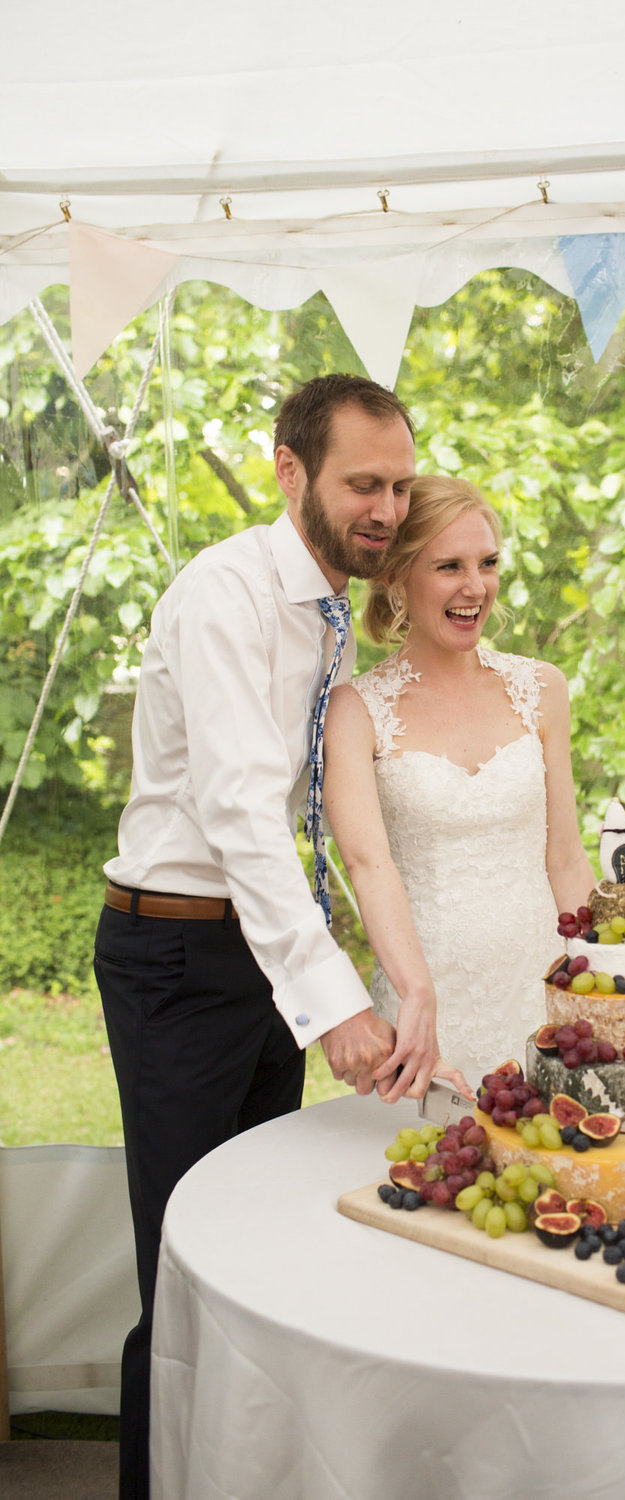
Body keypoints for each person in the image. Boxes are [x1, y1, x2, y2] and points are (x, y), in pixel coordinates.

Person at [93, 374, 441, 1500]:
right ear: (290, 470)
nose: (386, 509)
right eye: (361, 484)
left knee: (252, 1250)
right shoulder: (225, 594)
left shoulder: (336, 608)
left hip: (251, 956)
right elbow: (242, 811)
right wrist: (332, 998)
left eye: (399, 483)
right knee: (189, 1264)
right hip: (178, 958)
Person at [323, 474, 595, 1094]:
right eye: (449, 566)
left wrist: (600, 981)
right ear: (395, 576)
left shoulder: (542, 688)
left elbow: (566, 858)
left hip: (544, 993)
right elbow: (369, 869)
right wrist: (418, 999)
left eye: (488, 563)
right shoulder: (354, 711)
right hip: (425, 1011)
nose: (476, 588)